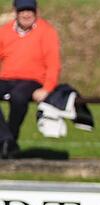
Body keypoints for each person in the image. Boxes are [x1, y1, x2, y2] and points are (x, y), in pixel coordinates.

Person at [0, 0, 60, 158]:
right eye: (22, 11)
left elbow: (53, 63)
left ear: (36, 11)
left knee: (18, 97)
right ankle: (6, 139)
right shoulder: (5, 32)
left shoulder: (46, 31)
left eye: (30, 11)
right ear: (15, 12)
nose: (26, 14)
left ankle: (9, 139)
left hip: (31, 80)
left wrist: (47, 88)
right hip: (7, 78)